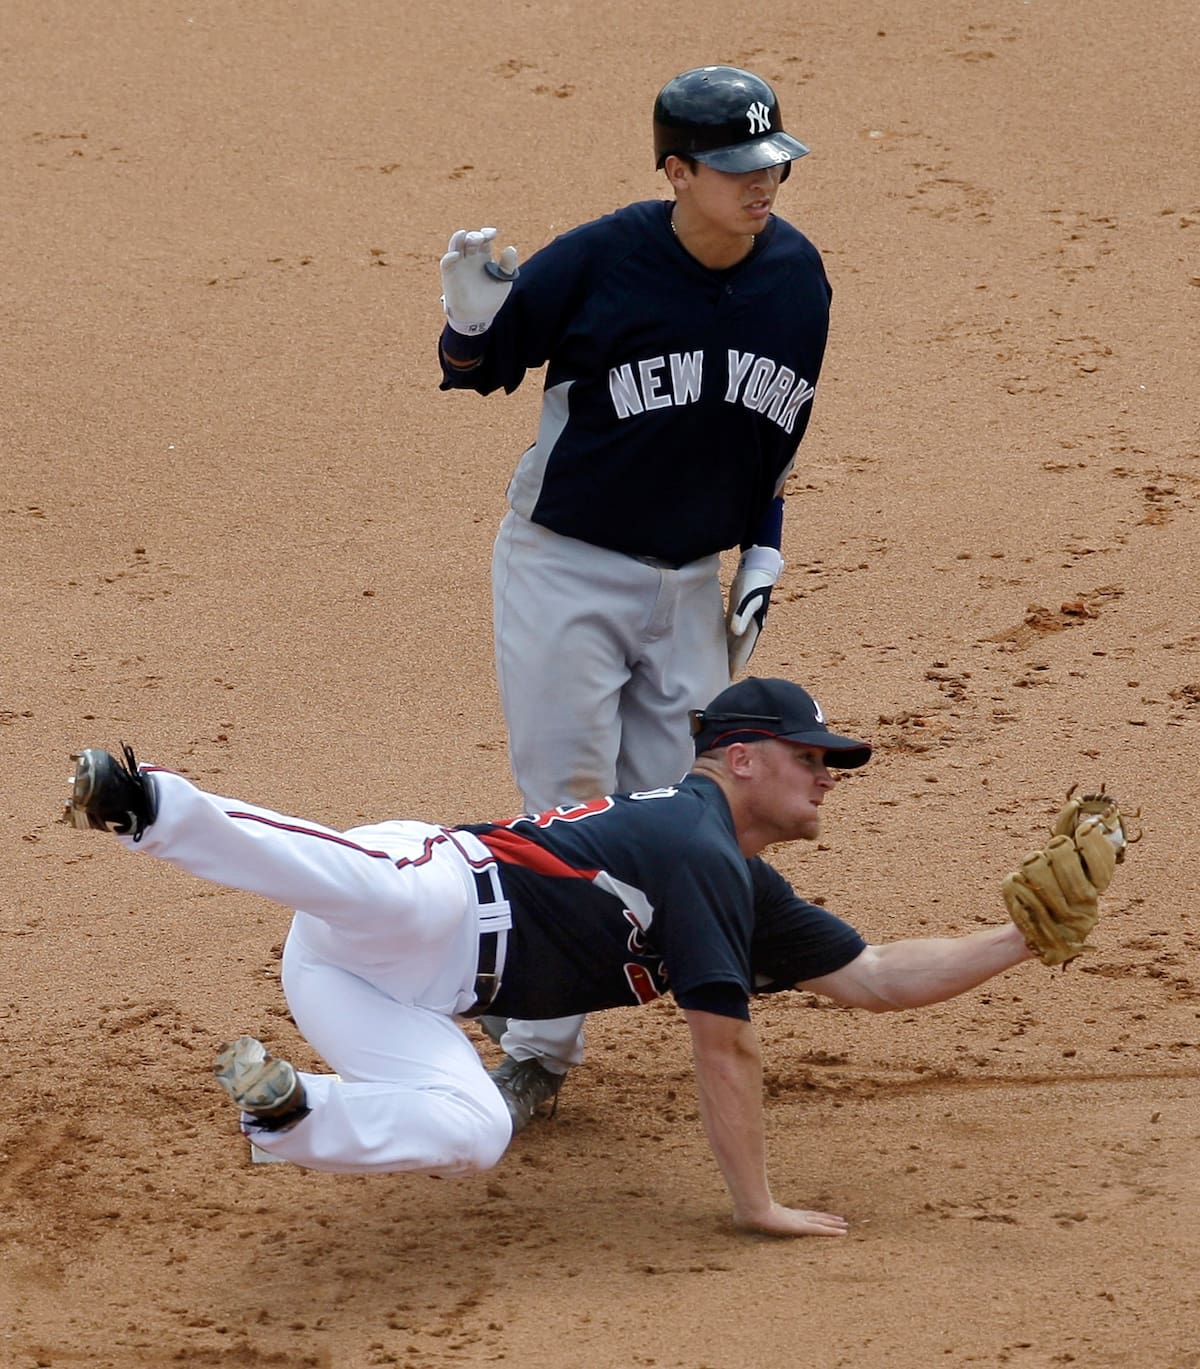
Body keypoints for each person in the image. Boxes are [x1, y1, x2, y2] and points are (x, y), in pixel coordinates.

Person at [61, 677, 1095, 1238]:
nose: (828, 777)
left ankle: (290, 1109)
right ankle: (147, 800)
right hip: (436, 891)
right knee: (355, 882)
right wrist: (755, 1204)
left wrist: (1017, 938)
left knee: (475, 1128)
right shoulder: (696, 845)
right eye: (811, 757)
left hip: (382, 993)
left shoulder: (741, 886)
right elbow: (724, 1050)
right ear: (741, 758)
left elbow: (871, 978)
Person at [437, 66, 834, 1118]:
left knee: (688, 804)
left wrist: (763, 550)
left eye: (775, 163)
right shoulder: (600, 260)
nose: (765, 184)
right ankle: (536, 1051)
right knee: (568, 799)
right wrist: (472, 322)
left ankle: (547, 972)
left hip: (690, 580)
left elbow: (775, 435)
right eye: (739, 168)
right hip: (564, 562)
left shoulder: (798, 280)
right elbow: (479, 369)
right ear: (676, 170)